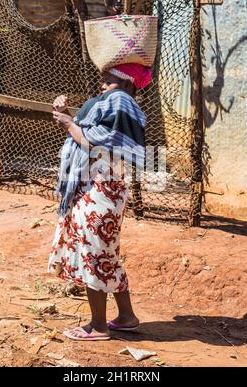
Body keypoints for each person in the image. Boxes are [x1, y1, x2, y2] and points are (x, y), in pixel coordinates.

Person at [49, 63, 152, 341]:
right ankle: (127, 317)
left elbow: (91, 143)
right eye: (103, 81)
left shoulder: (121, 103)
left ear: (129, 85)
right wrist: (67, 117)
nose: (103, 86)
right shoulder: (115, 105)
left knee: (94, 254)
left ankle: (98, 326)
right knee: (106, 255)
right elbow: (88, 139)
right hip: (101, 190)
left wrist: (70, 122)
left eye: (110, 81)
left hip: (101, 192)